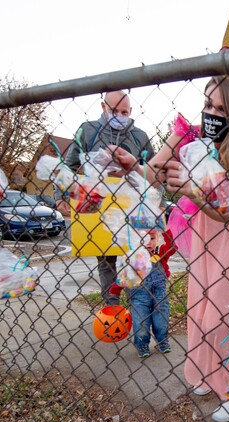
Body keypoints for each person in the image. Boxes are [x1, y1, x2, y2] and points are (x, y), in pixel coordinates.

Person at [126, 76, 229, 422]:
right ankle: (217, 374)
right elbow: (155, 172)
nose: (211, 113)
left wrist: (191, 189)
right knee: (201, 311)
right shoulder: (189, 134)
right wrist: (137, 168)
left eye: (221, 108)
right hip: (204, 236)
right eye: (208, 104)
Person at [56, 90, 155, 306]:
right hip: (99, 203)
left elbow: (154, 172)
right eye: (114, 111)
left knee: (135, 254)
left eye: (124, 112)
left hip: (132, 204)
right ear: (103, 107)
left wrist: (158, 205)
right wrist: (61, 196)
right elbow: (69, 165)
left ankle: (137, 307)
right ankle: (112, 308)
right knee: (106, 258)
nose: (120, 115)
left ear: (131, 112)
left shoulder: (140, 136)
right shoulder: (88, 130)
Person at [125, 228, 176, 358]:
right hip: (139, 296)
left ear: (157, 239)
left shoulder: (161, 253)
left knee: (161, 319)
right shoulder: (133, 258)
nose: (148, 242)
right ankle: (142, 345)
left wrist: (165, 230)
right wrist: (115, 288)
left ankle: (162, 341)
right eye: (143, 239)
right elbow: (124, 276)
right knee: (140, 320)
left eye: (152, 238)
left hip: (159, 294)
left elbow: (173, 246)